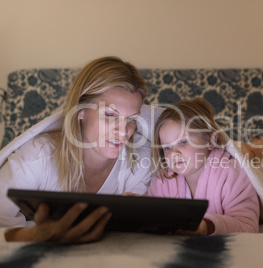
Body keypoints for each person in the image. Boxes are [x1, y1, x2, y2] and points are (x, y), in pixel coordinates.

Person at [0, 56, 155, 243]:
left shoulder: (140, 164)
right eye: (110, 115)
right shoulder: (37, 157)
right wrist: (37, 235)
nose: (123, 131)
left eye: (131, 119)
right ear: (81, 110)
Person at [147, 98, 260, 236]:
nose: (174, 153)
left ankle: (255, 152)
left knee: (252, 164)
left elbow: (247, 225)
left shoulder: (231, 173)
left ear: (211, 141)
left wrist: (207, 227)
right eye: (167, 148)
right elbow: (154, 218)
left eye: (183, 142)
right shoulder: (163, 181)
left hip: (246, 166)